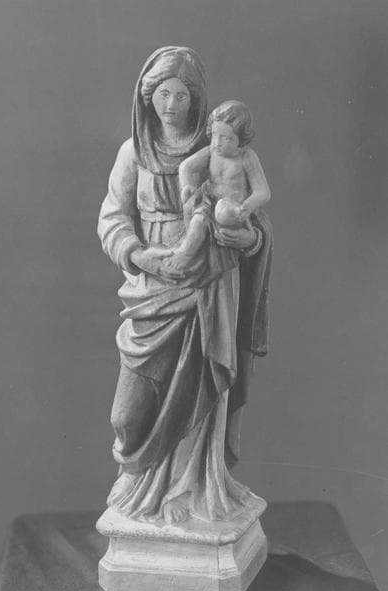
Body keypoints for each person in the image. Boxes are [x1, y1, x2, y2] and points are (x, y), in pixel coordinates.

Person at [97, 47, 273, 524]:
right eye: (162, 94)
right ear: (146, 97)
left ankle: (188, 492)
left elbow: (255, 221)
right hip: (152, 286)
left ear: (196, 99)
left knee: (199, 395)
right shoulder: (133, 153)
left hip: (207, 286)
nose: (170, 105)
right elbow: (112, 219)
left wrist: (250, 238)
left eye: (180, 95)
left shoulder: (218, 148)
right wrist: (140, 255)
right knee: (126, 416)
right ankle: (140, 478)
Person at [164, 100, 270, 274]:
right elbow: (186, 167)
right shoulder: (211, 152)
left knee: (227, 232)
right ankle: (185, 253)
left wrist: (248, 206)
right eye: (214, 135)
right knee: (198, 221)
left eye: (226, 138)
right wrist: (187, 187)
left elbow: (263, 192)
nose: (217, 143)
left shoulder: (246, 157)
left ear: (241, 139)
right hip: (209, 202)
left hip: (234, 210)